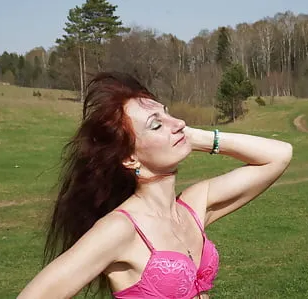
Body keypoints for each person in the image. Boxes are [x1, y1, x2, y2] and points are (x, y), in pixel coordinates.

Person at [18, 72, 293, 299]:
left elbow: (278, 156)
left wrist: (190, 136)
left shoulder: (194, 205)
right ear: (128, 157)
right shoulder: (120, 229)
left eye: (168, 114)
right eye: (155, 125)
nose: (179, 123)